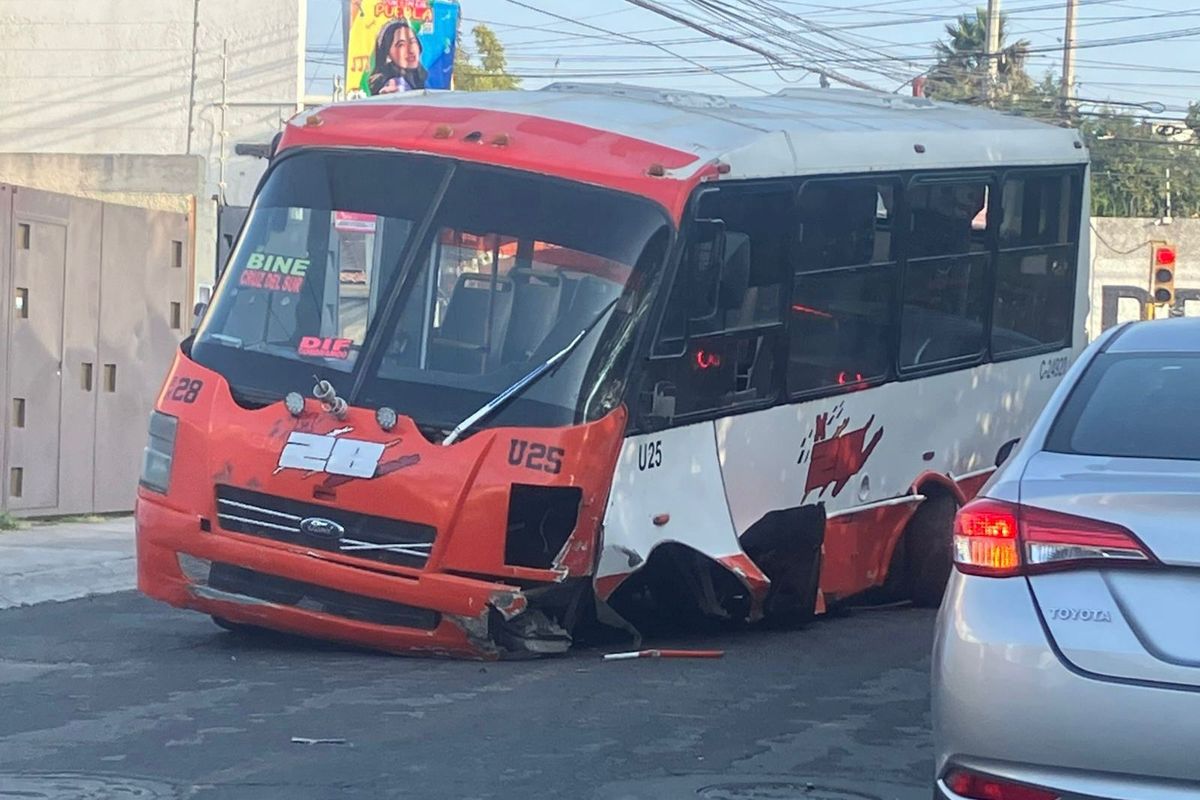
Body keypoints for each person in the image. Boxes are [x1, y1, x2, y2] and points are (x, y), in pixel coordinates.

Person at [368, 20, 427, 95]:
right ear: (387, 53)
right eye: (401, 45)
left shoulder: (420, 77)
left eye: (413, 41)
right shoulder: (394, 84)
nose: (411, 50)